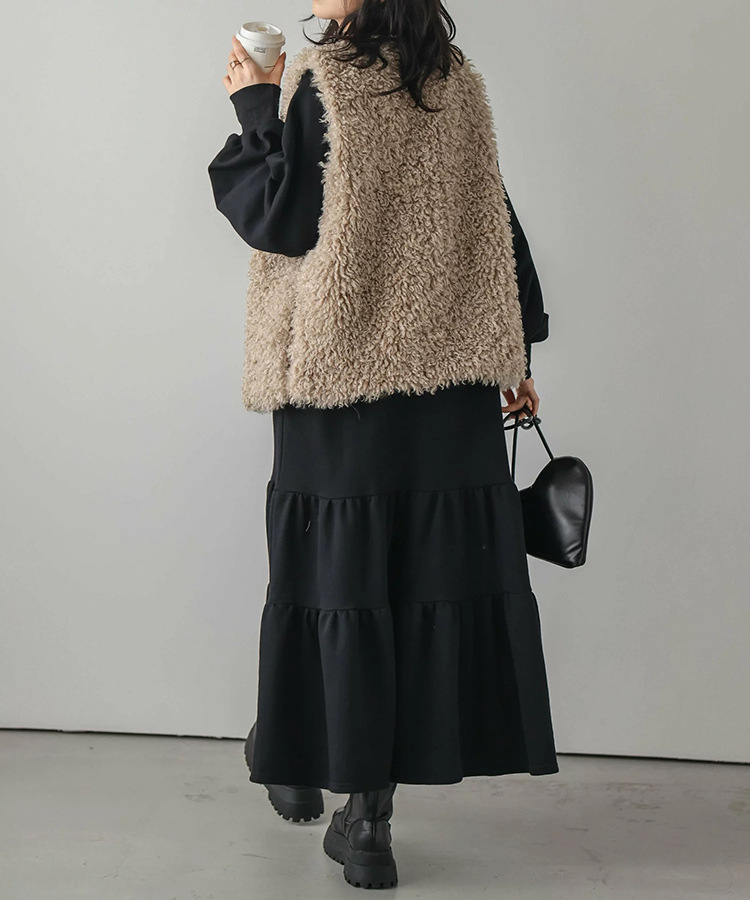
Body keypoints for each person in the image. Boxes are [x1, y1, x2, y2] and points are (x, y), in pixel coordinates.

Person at [208, 0, 558, 889]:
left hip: (343, 383)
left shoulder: (326, 85)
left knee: (335, 583)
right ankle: (367, 823)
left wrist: (255, 108)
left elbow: (282, 219)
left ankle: (294, 749)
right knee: (414, 586)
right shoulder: (456, 84)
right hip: (449, 388)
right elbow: (495, 221)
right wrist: (516, 354)